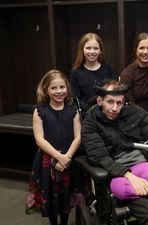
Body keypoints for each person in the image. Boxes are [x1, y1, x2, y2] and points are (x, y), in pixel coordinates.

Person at [81, 79, 148, 225]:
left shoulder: (135, 112)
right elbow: (99, 157)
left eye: (119, 103)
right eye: (110, 102)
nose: (115, 108)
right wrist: (128, 176)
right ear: (100, 100)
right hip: (121, 174)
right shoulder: (91, 122)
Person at [26, 70, 82, 225]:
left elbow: (78, 137)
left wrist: (67, 157)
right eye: (54, 88)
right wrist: (59, 157)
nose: (59, 91)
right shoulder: (39, 111)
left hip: (69, 159)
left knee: (66, 194)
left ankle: (64, 222)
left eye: (62, 87)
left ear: (67, 88)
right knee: (51, 195)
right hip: (47, 161)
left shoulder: (73, 110)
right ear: (46, 90)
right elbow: (39, 139)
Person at [70, 32, 117, 114]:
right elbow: (76, 100)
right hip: (86, 116)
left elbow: (115, 93)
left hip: (108, 114)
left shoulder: (109, 69)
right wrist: (91, 111)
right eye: (88, 48)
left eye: (95, 48)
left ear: (100, 51)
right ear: (82, 50)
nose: (92, 52)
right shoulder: (75, 73)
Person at [120, 32, 148, 113]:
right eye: (142, 48)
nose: (145, 52)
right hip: (136, 120)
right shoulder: (127, 74)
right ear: (135, 50)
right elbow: (129, 106)